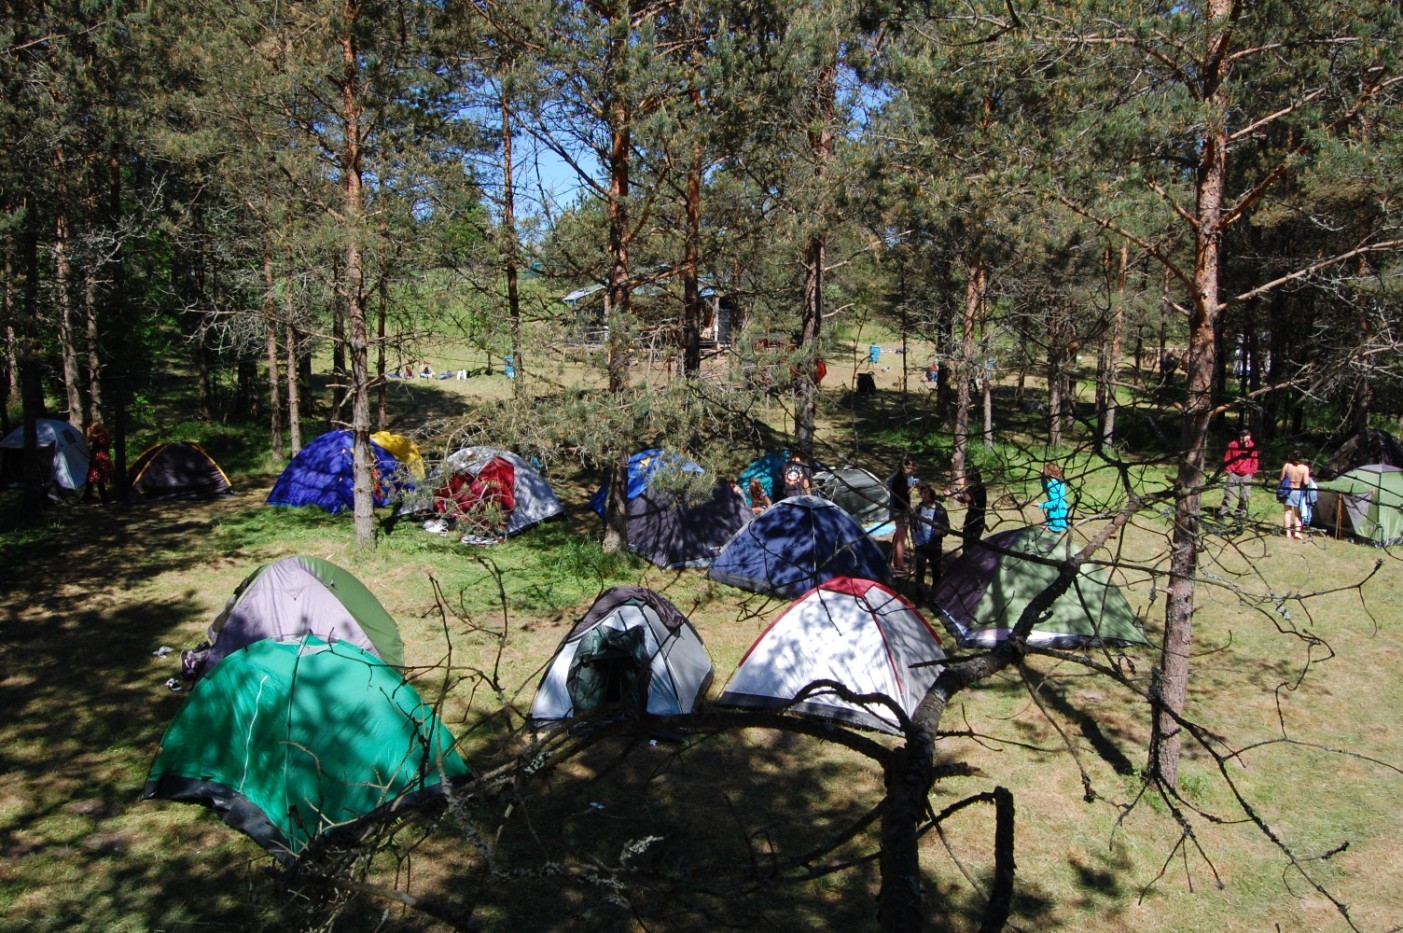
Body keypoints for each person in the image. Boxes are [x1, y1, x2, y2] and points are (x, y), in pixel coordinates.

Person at [911, 483, 949, 597]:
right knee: (920, 572)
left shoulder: (940, 510)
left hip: (935, 546)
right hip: (921, 546)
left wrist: (941, 532)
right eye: (921, 493)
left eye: (925, 493)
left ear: (932, 494)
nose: (923, 495)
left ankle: (935, 595)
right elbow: (913, 526)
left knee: (936, 571)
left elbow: (947, 528)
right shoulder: (917, 510)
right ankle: (920, 596)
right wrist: (914, 539)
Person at [1218, 428, 1259, 524]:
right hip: (1233, 472)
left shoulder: (1252, 447)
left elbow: (1255, 461)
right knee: (1228, 494)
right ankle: (1223, 513)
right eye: (1241, 435)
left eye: (1245, 435)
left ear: (1249, 436)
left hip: (1246, 474)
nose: (1242, 437)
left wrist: (1251, 472)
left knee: (1244, 495)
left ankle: (1239, 515)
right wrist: (1228, 470)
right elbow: (1227, 458)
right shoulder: (1233, 445)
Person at [887, 457, 917, 575]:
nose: (912, 469)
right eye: (910, 467)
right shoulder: (899, 478)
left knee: (900, 536)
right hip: (899, 510)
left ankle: (895, 561)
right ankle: (899, 564)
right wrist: (913, 487)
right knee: (901, 536)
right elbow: (902, 494)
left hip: (901, 509)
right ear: (904, 467)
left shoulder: (903, 478)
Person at [1279, 451, 1312, 541]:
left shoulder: (1287, 466)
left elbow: (1281, 478)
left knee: (1287, 512)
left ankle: (1288, 532)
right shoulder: (1304, 468)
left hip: (1287, 490)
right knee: (1298, 514)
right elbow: (1306, 482)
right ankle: (1297, 532)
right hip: (1297, 491)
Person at [954, 468, 987, 550]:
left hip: (977, 521)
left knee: (971, 546)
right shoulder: (970, 488)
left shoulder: (980, 488)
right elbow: (964, 500)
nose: (965, 479)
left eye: (966, 477)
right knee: (966, 546)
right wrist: (952, 495)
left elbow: (969, 499)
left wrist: (962, 487)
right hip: (969, 520)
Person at [83, 422, 113, 504]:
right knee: (96, 480)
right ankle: (101, 499)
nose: (91, 431)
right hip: (104, 459)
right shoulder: (105, 436)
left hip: (98, 460)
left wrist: (88, 436)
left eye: (92, 429)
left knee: (94, 479)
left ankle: (87, 498)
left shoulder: (98, 438)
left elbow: (88, 446)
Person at [1039, 462, 1070, 532]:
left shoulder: (1052, 485)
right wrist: (1042, 477)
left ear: (1048, 472)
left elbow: (1055, 503)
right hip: (1061, 512)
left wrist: (1040, 505)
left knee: (1051, 536)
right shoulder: (1059, 482)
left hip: (1056, 515)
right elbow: (1045, 489)